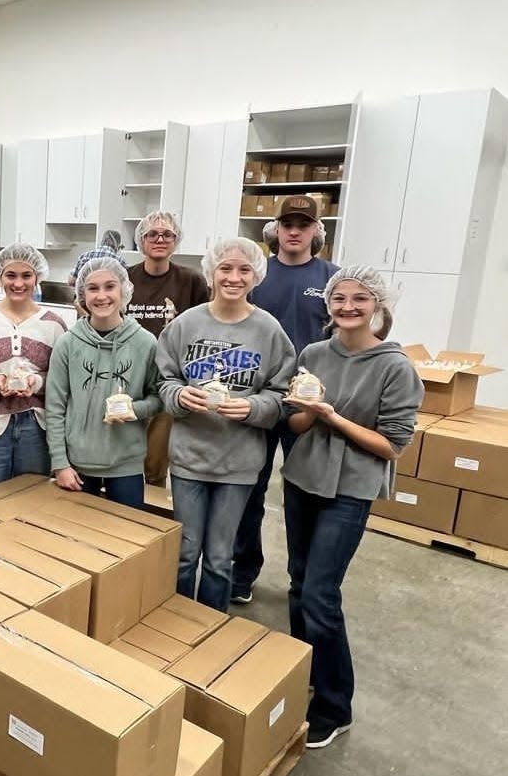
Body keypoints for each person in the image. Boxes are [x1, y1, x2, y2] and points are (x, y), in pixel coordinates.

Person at [281, 266, 422, 749]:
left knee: (321, 594)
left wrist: (332, 416)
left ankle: (334, 706)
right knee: (299, 586)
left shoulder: (394, 367)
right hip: (303, 479)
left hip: (350, 489)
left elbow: (392, 446)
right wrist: (304, 411)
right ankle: (307, 674)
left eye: (359, 299)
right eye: (338, 298)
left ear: (378, 306)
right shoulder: (315, 354)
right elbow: (297, 425)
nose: (347, 307)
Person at [156, 237, 295, 612]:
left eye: (244, 269)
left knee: (219, 558)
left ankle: (209, 626)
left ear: (256, 276)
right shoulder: (186, 324)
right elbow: (164, 380)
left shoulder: (269, 331)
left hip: (239, 464)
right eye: (226, 268)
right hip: (189, 458)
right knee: (185, 553)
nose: (234, 277)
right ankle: (177, 621)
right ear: (211, 273)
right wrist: (180, 397)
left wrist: (253, 408)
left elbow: (283, 395)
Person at [231, 195, 339, 604]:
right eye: (287, 223)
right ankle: (242, 572)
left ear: (316, 230)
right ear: (274, 228)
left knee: (304, 494)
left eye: (303, 224)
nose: (294, 231)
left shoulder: (333, 279)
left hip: (309, 406)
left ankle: (303, 579)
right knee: (248, 489)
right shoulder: (256, 275)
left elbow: (343, 338)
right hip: (258, 398)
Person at [47, 257, 162, 509]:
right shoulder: (68, 343)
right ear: (81, 294)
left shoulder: (145, 343)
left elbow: (158, 398)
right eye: (92, 288)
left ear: (124, 290)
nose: (101, 296)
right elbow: (54, 408)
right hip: (77, 463)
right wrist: (60, 463)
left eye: (110, 286)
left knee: (124, 537)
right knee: (76, 538)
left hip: (126, 464)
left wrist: (134, 410)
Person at [0, 243, 67, 489]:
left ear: (37, 277)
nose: (18, 283)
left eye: (26, 275)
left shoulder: (53, 325)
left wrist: (37, 382)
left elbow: (63, 379)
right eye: (11, 275)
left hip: (37, 426)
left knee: (32, 500)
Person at [126, 212, 210, 489]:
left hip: (169, 382)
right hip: (127, 379)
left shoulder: (192, 281)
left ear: (176, 241)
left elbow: (205, 328)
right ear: (141, 240)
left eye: (167, 234)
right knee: (123, 458)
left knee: (155, 464)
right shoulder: (125, 279)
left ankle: (150, 519)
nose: (160, 239)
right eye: (152, 234)